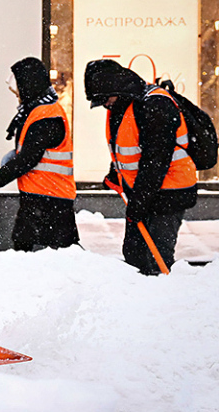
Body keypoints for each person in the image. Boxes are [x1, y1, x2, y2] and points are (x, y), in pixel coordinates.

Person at [84, 58, 197, 275]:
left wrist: (139, 202)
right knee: (134, 252)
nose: (104, 105)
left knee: (155, 257)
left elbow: (156, 161)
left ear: (115, 88)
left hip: (170, 190)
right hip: (144, 190)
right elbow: (128, 146)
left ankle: (161, 292)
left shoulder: (155, 105)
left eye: (105, 99)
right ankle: (139, 291)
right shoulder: (121, 105)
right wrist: (116, 174)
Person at [0, 57, 79, 251]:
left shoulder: (46, 117)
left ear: (28, 87)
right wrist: (15, 154)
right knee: (27, 249)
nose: (18, 97)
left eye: (18, 93)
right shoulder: (37, 111)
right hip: (40, 196)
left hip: (50, 199)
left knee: (46, 255)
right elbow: (33, 151)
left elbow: (28, 160)